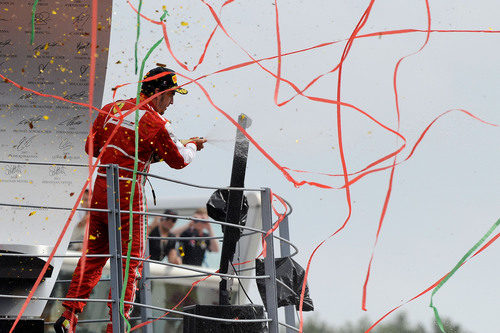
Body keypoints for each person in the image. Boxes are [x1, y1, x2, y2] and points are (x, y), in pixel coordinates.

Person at [54, 66, 207, 333]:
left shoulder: (111, 109)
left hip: (100, 194)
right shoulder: (158, 124)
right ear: (159, 94)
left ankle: (68, 317)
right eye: (171, 96)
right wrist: (192, 145)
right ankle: (118, 326)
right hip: (127, 196)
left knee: (91, 258)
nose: (172, 103)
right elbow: (180, 160)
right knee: (131, 261)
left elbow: (92, 147)